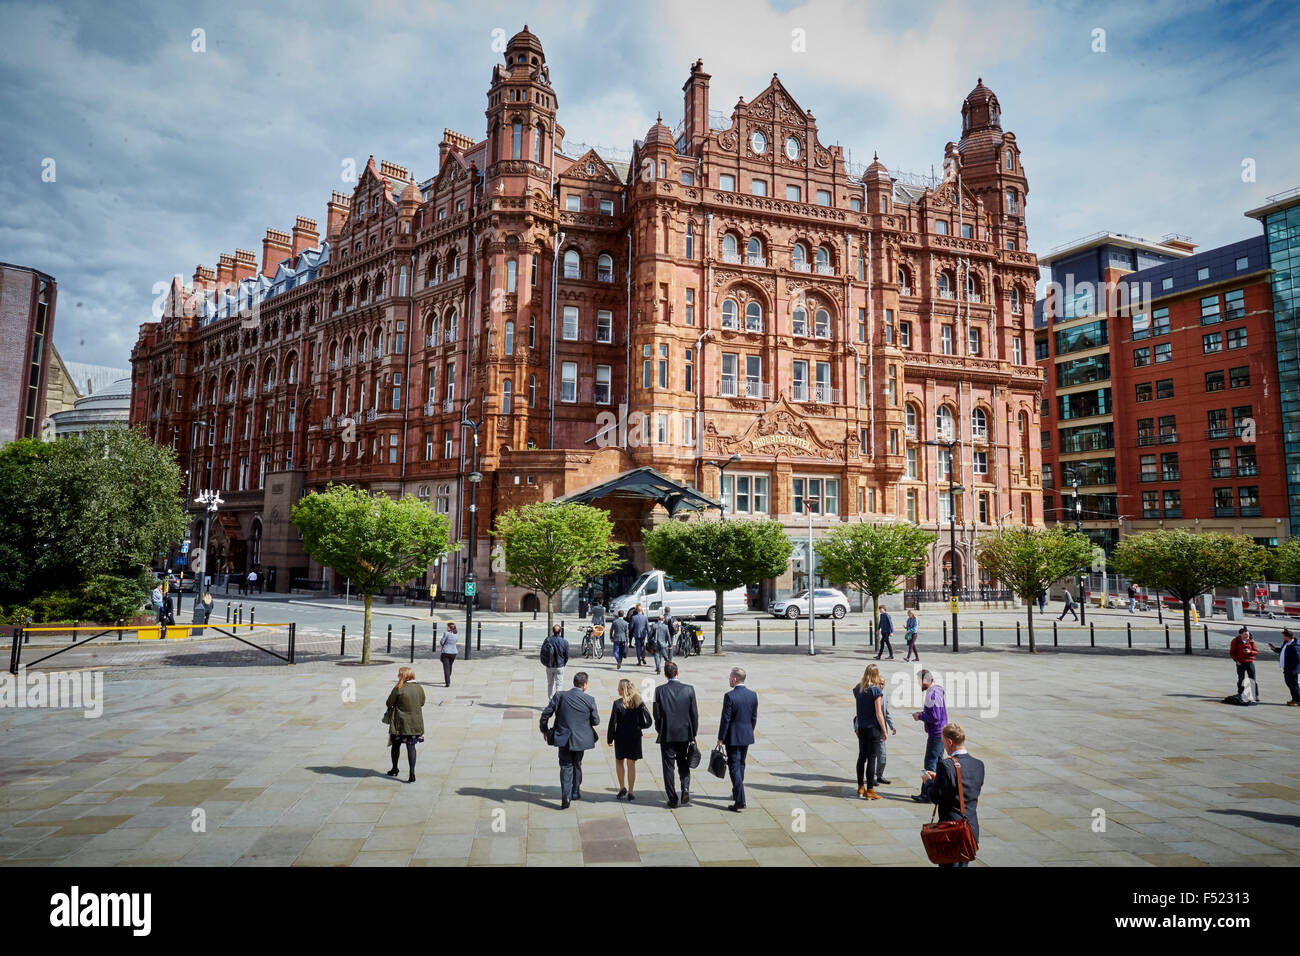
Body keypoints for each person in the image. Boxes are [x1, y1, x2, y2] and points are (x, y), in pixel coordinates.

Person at [924, 721, 985, 867]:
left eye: (943, 742)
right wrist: (939, 779)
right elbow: (966, 789)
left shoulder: (946, 765)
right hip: (970, 829)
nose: (943, 746)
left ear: (950, 742)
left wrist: (928, 782)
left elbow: (935, 797)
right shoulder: (979, 764)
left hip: (951, 830)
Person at [540, 671, 599, 809]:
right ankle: (575, 791)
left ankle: (566, 796)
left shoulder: (560, 696)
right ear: (584, 685)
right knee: (577, 763)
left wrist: (544, 729)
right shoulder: (589, 699)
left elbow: (545, 714)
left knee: (566, 766)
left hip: (564, 738)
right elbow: (596, 721)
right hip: (581, 739)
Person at [653, 661, 698, 808]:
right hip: (685, 733)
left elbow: (657, 715)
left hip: (668, 733)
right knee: (683, 762)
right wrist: (693, 733)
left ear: (665, 674)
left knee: (668, 766)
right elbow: (694, 714)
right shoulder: (689, 689)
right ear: (677, 673)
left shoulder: (659, 691)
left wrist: (660, 729)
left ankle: (672, 798)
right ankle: (685, 787)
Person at [716, 667, 757, 812]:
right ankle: (736, 792)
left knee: (734, 767)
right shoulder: (753, 695)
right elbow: (753, 718)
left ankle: (740, 800)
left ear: (734, 679)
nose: (728, 680)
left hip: (733, 737)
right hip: (746, 735)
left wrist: (721, 737)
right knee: (741, 765)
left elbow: (725, 719)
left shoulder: (730, 696)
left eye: (729, 678)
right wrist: (749, 731)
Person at [607, 678, 652, 801]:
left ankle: (622, 788)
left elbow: (612, 723)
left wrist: (609, 739)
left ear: (623, 690)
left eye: (619, 688)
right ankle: (631, 791)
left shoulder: (617, 704)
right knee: (631, 765)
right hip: (635, 737)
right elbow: (646, 719)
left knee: (619, 762)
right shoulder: (638, 702)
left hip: (621, 737)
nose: (617, 689)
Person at [853, 663, 888, 800]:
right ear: (876, 675)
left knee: (862, 757)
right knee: (872, 758)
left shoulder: (858, 689)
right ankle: (870, 790)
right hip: (873, 728)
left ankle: (860, 786)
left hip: (861, 728)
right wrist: (884, 730)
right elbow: (879, 713)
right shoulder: (875, 691)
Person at [911, 670, 948, 802]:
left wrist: (919, 716)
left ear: (925, 681)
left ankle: (927, 794)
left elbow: (935, 716)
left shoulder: (931, 694)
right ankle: (939, 791)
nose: (918, 684)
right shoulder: (937, 690)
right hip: (942, 732)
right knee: (938, 763)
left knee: (930, 764)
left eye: (919, 682)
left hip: (936, 734)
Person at [385, 666, 426, 783]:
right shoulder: (419, 687)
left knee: (396, 745)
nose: (398, 676)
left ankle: (394, 768)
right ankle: (412, 773)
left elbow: (389, 703)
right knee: (411, 747)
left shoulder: (399, 688)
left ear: (403, 676)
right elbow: (422, 702)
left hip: (399, 723)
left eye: (399, 674)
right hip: (414, 723)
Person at [1266, 628, 1300, 706]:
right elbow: (1282, 650)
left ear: (1287, 637)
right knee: (1290, 684)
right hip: (1287, 669)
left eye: (1283, 636)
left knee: (1294, 685)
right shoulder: (1286, 643)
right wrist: (1275, 649)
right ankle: (1294, 699)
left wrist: (1292, 670)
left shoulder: (1295, 646)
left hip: (1292, 670)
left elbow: (1298, 660)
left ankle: (1298, 701)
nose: (1282, 637)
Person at [876, 669, 897, 786]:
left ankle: (880, 775)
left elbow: (886, 712)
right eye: (879, 683)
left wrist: (892, 725)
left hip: (882, 730)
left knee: (882, 756)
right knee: (874, 755)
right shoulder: (872, 695)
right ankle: (873, 776)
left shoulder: (884, 695)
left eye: (883, 683)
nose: (881, 685)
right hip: (873, 729)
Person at [1229, 625, 1259, 703]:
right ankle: (1240, 693)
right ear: (1241, 634)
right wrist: (1236, 660)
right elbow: (1232, 652)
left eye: (1248, 634)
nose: (1247, 636)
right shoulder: (1235, 641)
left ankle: (1255, 695)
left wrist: (1250, 652)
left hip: (1250, 662)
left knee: (1252, 679)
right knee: (1241, 679)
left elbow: (1256, 652)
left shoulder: (1252, 641)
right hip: (1240, 663)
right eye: (1245, 634)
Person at [540, 624, 569, 699]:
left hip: (549, 665)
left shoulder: (547, 640)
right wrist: (564, 663)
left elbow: (542, 652)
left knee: (550, 684)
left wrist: (544, 662)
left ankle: (550, 701)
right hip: (560, 665)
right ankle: (557, 702)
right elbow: (567, 655)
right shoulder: (564, 642)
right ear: (560, 631)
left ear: (552, 631)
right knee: (559, 685)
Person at [438, 621, 459, 687]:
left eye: (447, 626)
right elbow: (455, 641)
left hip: (446, 652)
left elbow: (441, 642)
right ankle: (448, 678)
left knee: (446, 667)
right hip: (454, 653)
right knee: (450, 666)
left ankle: (447, 682)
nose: (446, 628)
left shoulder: (446, 633)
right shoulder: (456, 634)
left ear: (449, 628)